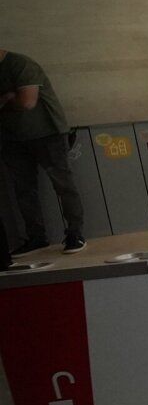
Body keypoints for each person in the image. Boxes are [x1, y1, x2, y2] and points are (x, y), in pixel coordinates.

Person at [0, 48, 85, 254]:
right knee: (24, 190)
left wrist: (7, 100)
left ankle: (75, 233)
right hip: (13, 138)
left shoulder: (20, 64)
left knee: (63, 184)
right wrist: (10, 96)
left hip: (47, 133)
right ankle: (36, 236)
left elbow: (28, 101)